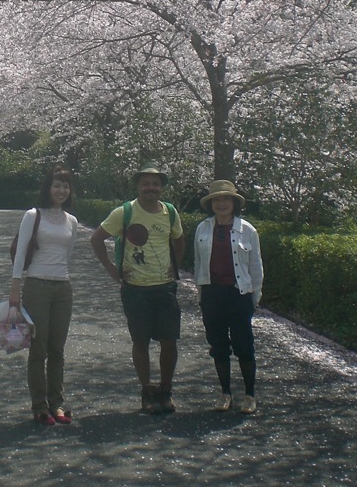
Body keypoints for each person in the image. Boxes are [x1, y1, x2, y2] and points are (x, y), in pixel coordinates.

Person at [90, 165, 184, 414]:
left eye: (155, 184)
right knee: (140, 341)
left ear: (161, 187)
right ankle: (147, 390)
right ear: (138, 186)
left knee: (169, 341)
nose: (150, 188)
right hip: (135, 288)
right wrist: (111, 269)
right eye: (146, 183)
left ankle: (166, 389)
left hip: (164, 287)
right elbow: (97, 238)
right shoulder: (125, 212)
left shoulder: (170, 212)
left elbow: (178, 239)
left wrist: (175, 269)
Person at [10, 165, 80, 426]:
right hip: (37, 286)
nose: (61, 190)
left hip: (63, 287)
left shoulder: (71, 221)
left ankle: (57, 404)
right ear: (47, 188)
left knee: (57, 349)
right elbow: (21, 252)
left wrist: (62, 277)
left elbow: (68, 255)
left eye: (65, 186)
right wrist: (15, 286)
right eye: (56, 185)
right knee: (38, 349)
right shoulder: (33, 215)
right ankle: (40, 405)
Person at [193, 179, 263, 414]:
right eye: (217, 200)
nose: (221, 203)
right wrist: (201, 294)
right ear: (210, 204)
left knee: (244, 345)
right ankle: (225, 393)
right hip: (212, 295)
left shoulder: (247, 230)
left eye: (226, 199)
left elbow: (256, 268)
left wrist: (254, 298)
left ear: (234, 203)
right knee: (218, 345)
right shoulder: (203, 228)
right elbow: (198, 263)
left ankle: (250, 395)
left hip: (238, 294)